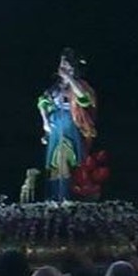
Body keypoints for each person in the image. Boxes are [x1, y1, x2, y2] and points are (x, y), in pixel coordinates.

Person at [37, 48, 97, 200]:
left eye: (66, 63)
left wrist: (70, 79)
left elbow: (84, 100)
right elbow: (42, 102)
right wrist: (45, 121)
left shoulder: (80, 85)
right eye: (61, 62)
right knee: (55, 161)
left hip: (72, 123)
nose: (62, 65)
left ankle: (70, 196)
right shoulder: (54, 88)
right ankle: (56, 196)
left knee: (71, 158)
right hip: (55, 124)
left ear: (72, 67)